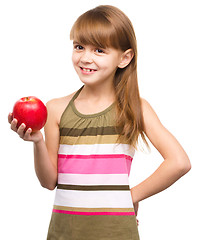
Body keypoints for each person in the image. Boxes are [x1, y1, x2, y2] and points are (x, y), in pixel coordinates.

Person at [8, 5, 191, 240]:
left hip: (117, 233)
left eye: (99, 50)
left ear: (124, 58)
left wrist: (131, 196)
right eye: (79, 47)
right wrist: (37, 142)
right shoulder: (55, 108)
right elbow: (49, 182)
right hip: (64, 233)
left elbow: (179, 162)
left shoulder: (135, 108)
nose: (85, 57)